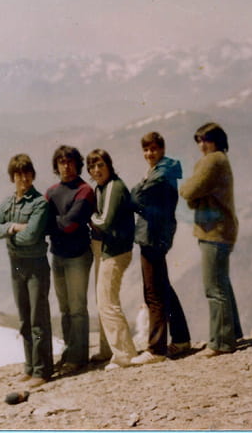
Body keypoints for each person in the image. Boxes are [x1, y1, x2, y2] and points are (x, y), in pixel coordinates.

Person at [0, 153, 53, 388]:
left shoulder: (39, 203)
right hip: (16, 265)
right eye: (18, 174)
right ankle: (30, 366)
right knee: (25, 318)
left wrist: (8, 234)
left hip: (35, 265)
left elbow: (32, 236)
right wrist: (14, 227)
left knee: (38, 317)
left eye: (27, 173)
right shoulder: (8, 203)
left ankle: (42, 370)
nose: (23, 178)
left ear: (33, 175)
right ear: (12, 177)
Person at [180, 122, 243, 357]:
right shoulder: (221, 160)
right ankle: (232, 333)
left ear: (216, 140)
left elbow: (188, 192)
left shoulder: (212, 161)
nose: (201, 145)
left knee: (213, 286)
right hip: (222, 230)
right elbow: (194, 195)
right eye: (198, 140)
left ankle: (221, 342)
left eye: (205, 139)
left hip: (214, 231)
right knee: (221, 282)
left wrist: (189, 191)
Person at [129, 131, 192, 365]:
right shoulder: (160, 171)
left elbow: (136, 199)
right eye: (146, 150)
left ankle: (156, 349)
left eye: (153, 149)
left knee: (153, 291)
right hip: (155, 233)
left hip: (153, 234)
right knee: (162, 286)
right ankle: (181, 339)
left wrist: (140, 186)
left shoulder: (160, 174)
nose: (149, 153)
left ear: (162, 149)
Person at [86, 149, 138, 370]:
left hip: (116, 251)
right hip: (111, 249)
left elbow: (104, 221)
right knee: (104, 300)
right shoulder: (102, 188)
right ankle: (113, 349)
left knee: (107, 301)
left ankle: (124, 354)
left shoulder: (114, 187)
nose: (97, 170)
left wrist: (88, 216)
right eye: (92, 166)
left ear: (109, 166)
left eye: (101, 165)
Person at [45, 145, 95, 373]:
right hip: (58, 255)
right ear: (56, 166)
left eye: (70, 161)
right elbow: (45, 220)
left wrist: (51, 223)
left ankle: (78, 357)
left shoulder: (84, 191)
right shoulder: (52, 191)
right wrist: (55, 223)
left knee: (77, 308)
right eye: (61, 162)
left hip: (77, 255)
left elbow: (70, 224)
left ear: (77, 164)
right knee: (65, 308)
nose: (66, 166)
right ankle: (69, 353)